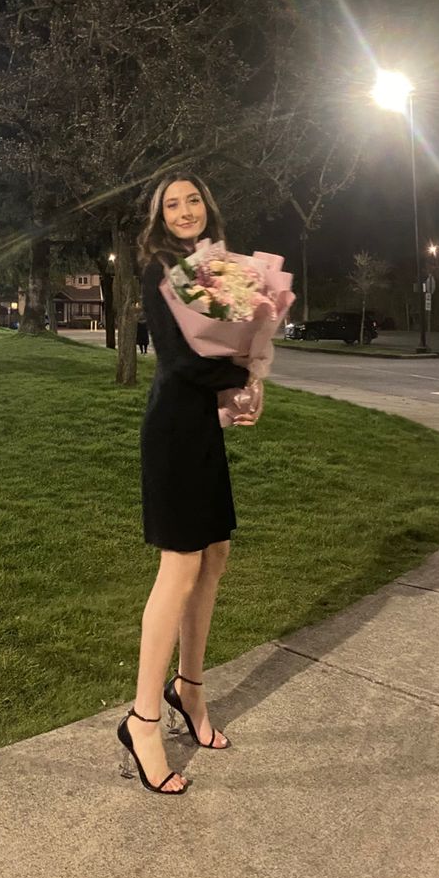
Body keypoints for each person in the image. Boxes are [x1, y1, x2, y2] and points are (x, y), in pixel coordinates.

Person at [117, 172, 259, 795]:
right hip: (172, 429)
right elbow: (179, 361)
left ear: (207, 205)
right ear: (159, 216)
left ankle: (189, 689)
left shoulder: (214, 267)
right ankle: (143, 720)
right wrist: (237, 378)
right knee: (178, 568)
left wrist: (248, 381)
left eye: (192, 199)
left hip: (201, 427)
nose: (183, 210)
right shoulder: (158, 270)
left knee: (215, 556)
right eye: (171, 204)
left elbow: (225, 348)